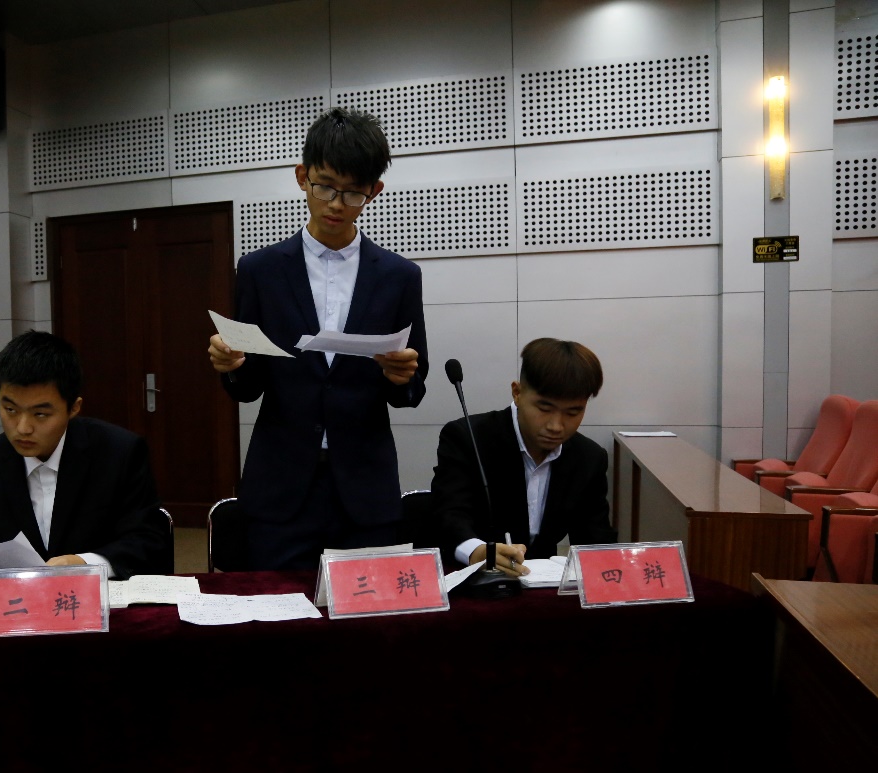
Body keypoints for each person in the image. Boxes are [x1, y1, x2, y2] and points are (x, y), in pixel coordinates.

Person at [206, 106, 428, 570]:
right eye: (325, 186)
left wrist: (402, 376)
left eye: (353, 193)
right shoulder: (260, 270)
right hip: (280, 490)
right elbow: (249, 386)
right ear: (301, 177)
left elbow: (411, 388)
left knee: (368, 608)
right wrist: (234, 366)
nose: (336, 204)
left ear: (375, 191)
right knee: (277, 607)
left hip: (364, 491)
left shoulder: (399, 276)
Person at [0, 330, 166, 594]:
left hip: (99, 603)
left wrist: (84, 564)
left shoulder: (119, 454)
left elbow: (148, 541)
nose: (23, 428)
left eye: (40, 414)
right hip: (17, 607)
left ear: (74, 407)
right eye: (10, 409)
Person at [431, 337, 616, 576]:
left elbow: (595, 541)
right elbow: (448, 515)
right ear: (517, 393)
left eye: (573, 412)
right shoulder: (467, 438)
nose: (556, 426)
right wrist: (477, 551)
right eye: (544, 409)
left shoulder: (589, 458)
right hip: (474, 579)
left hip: (541, 585)